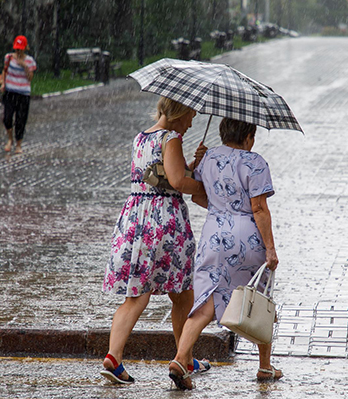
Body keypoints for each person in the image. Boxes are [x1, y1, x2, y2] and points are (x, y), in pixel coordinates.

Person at [100, 97, 208, 384]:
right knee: (183, 294)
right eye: (190, 117)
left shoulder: (141, 137)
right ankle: (183, 357)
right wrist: (206, 186)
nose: (191, 123)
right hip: (163, 222)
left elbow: (158, 174)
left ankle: (114, 356)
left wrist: (195, 164)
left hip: (135, 218)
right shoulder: (171, 137)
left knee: (136, 295)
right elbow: (177, 182)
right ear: (179, 113)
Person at [167, 118, 281, 390]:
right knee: (257, 297)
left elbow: (198, 197)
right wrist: (271, 248)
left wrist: (200, 163)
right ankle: (265, 366)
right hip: (246, 237)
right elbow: (259, 209)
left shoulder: (208, 158)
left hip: (213, 236)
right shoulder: (255, 162)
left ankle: (181, 358)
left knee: (205, 301)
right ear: (249, 136)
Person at [0, 35, 36, 155]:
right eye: (17, 48)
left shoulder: (30, 61)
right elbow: (4, 71)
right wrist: (3, 83)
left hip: (23, 93)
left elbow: (30, 78)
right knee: (7, 118)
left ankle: (18, 144)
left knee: (21, 119)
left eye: (20, 49)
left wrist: (24, 66)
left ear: (25, 48)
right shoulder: (8, 57)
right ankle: (10, 139)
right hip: (10, 92)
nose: (18, 51)